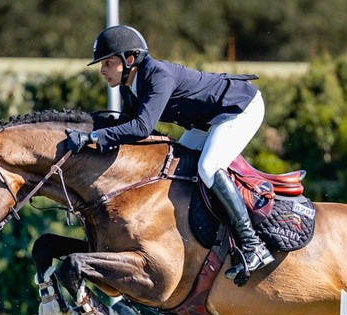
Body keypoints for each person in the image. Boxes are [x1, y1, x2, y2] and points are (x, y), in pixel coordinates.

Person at [64, 25, 275, 285]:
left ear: (129, 60)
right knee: (178, 166)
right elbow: (131, 132)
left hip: (239, 108)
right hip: (207, 121)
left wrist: (94, 138)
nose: (102, 70)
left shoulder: (157, 76)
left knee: (208, 168)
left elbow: (141, 128)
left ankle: (253, 245)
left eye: (108, 63)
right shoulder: (128, 87)